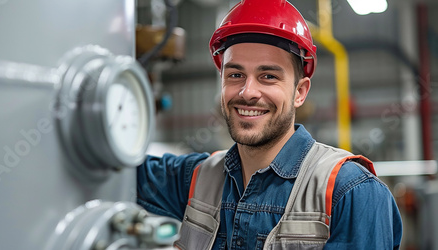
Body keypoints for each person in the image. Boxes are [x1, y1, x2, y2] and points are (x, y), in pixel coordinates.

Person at [136, 0, 403, 249]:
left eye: (268, 76)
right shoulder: (194, 180)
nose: (247, 92)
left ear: (300, 92)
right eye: (235, 74)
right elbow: (109, 167)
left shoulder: (350, 192)